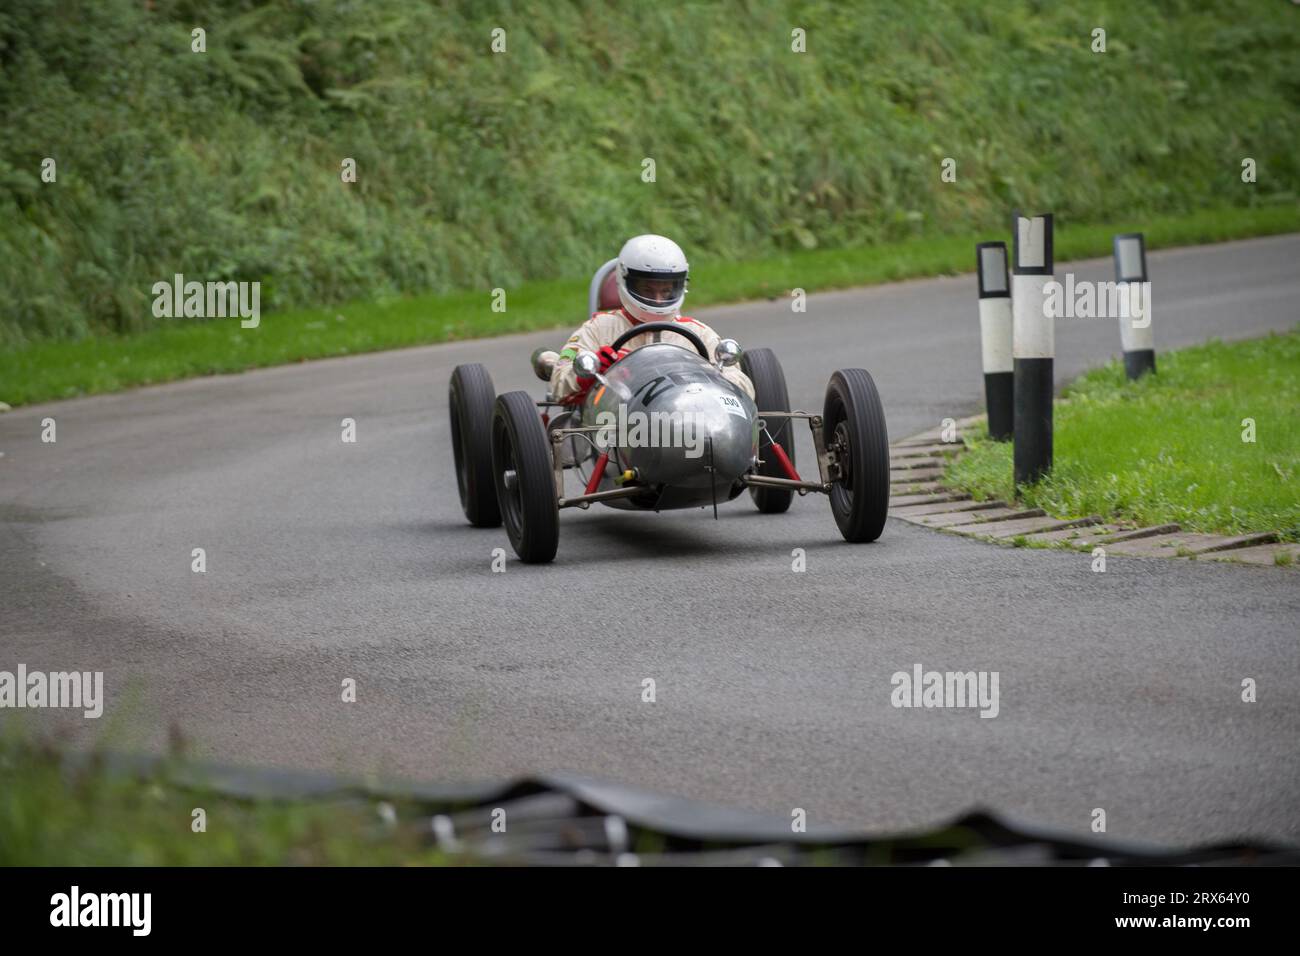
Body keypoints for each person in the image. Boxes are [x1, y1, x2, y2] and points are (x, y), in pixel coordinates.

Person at [549, 234, 755, 403]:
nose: (657, 299)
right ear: (625, 280)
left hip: (688, 424)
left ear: (680, 285)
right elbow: (559, 385)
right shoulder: (598, 329)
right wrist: (592, 374)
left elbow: (743, 387)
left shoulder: (698, 333)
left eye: (666, 291)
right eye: (647, 289)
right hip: (617, 430)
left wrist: (712, 377)